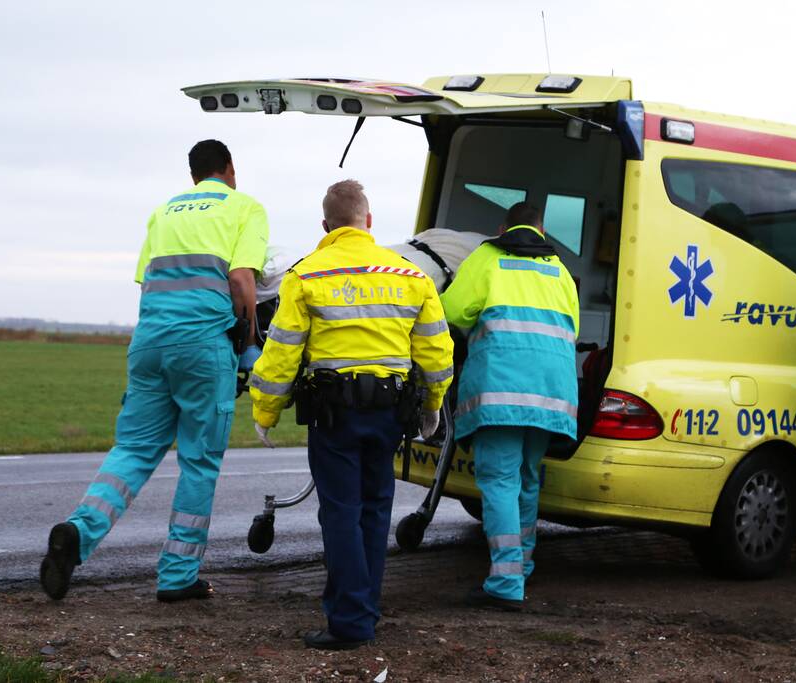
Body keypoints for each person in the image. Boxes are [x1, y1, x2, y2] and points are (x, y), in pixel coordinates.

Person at [39, 140, 269, 602]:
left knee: (134, 450)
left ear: (192, 175)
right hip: (204, 343)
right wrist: (248, 345)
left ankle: (78, 532)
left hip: (148, 342)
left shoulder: (163, 212)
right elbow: (242, 280)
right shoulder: (245, 207)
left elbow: (147, 286)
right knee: (199, 462)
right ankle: (178, 575)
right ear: (230, 168)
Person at [248, 179, 453, 650]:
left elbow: (281, 353)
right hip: (391, 413)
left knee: (340, 511)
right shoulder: (410, 276)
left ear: (326, 226)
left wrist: (265, 410)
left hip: (335, 414)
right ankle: (364, 609)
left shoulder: (307, 275)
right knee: (375, 510)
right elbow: (437, 353)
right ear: (369, 222)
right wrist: (432, 407)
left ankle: (350, 621)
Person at [440, 202, 579, 611]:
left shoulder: (488, 258)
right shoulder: (560, 269)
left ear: (503, 228)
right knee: (526, 478)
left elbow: (450, 310)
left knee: (499, 481)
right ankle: (522, 566)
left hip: (500, 389)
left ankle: (505, 582)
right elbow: (573, 326)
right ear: (541, 228)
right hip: (551, 394)